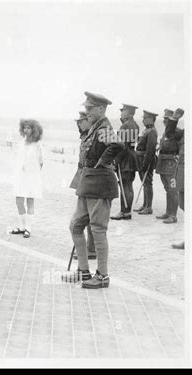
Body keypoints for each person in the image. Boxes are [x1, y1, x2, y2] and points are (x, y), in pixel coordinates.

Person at [62, 92, 124, 289]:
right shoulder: (95, 127)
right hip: (88, 183)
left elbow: (117, 144)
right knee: (76, 226)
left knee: (97, 230)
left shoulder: (104, 127)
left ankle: (103, 276)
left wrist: (102, 162)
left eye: (90, 109)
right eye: (86, 108)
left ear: (101, 109)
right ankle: (83, 270)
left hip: (100, 184)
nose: (86, 112)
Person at [10, 119, 44, 239]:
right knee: (19, 200)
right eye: (24, 127)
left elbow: (41, 162)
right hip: (20, 175)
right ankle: (22, 226)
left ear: (34, 129)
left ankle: (28, 228)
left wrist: (34, 174)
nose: (26, 130)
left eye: (29, 128)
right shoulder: (22, 142)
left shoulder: (38, 144)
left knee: (30, 201)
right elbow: (18, 158)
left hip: (32, 176)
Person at [70, 112, 96, 260]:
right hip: (83, 175)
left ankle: (91, 248)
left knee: (90, 215)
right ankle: (89, 246)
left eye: (81, 121)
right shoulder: (85, 135)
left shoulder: (93, 135)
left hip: (89, 177)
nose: (78, 124)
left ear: (88, 120)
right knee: (84, 213)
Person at [110, 104, 140, 220]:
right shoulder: (136, 125)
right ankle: (127, 211)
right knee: (129, 185)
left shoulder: (125, 126)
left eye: (123, 111)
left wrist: (116, 161)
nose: (121, 113)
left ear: (128, 112)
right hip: (132, 156)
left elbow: (121, 146)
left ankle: (124, 212)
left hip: (125, 158)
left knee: (124, 185)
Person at [155, 109, 180, 224]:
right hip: (163, 163)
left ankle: (173, 215)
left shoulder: (177, 132)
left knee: (173, 190)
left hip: (171, 164)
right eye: (164, 118)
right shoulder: (166, 133)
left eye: (167, 118)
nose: (164, 121)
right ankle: (168, 212)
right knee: (167, 189)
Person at [165, 108, 185, 249]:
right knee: (184, 204)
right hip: (183, 172)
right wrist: (174, 119)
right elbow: (170, 133)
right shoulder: (184, 132)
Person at [133, 110, 158, 215]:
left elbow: (150, 150)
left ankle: (149, 207)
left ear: (151, 119)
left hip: (146, 160)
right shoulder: (146, 130)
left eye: (145, 118)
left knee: (147, 183)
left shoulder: (152, 131)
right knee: (144, 183)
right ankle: (144, 205)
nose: (143, 120)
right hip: (140, 159)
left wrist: (146, 163)